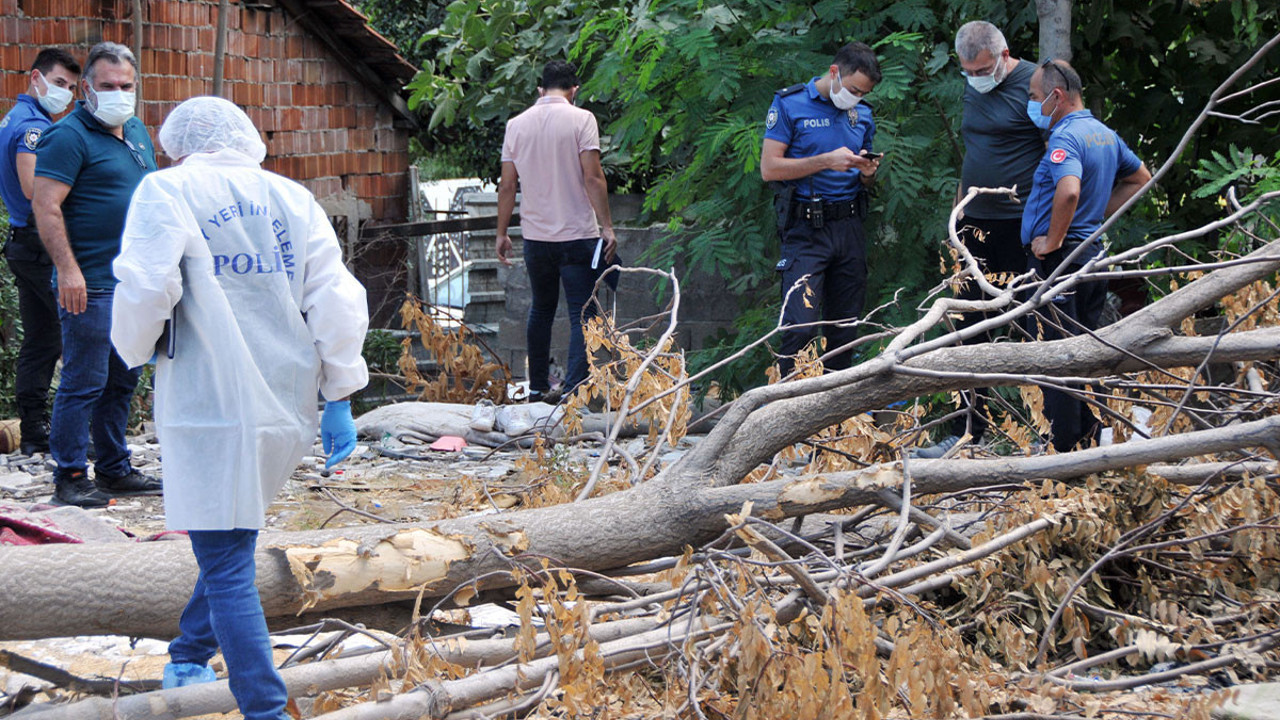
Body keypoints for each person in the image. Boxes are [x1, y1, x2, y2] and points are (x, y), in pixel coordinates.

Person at [110, 96, 369, 720]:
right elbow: (333, 295)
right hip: (287, 393)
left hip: (210, 395)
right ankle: (190, 649)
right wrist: (339, 394)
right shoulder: (291, 197)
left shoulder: (166, 190)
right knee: (232, 532)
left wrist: (133, 348)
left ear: (177, 143)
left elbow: (147, 284)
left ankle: (264, 708)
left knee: (225, 554)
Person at [32, 41, 161, 507]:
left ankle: (113, 468)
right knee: (84, 379)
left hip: (133, 282)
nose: (118, 93)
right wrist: (68, 270)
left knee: (123, 379)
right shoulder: (68, 137)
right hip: (89, 282)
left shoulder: (136, 130)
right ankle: (69, 474)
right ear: (86, 88)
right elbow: (46, 207)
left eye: (126, 85)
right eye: (108, 86)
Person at [915, 22, 1045, 458]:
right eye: (969, 70)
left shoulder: (1036, 83)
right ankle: (968, 432)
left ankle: (1049, 433)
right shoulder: (974, 86)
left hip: (1021, 225)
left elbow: (1059, 155)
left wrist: (1045, 224)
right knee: (966, 329)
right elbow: (973, 154)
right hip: (973, 224)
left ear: (1005, 54)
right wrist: (957, 225)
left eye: (984, 68)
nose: (977, 77)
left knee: (1036, 327)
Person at [1022, 59, 1151, 452]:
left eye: (1034, 97)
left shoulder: (1066, 138)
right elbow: (1142, 179)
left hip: (1060, 266)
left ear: (1056, 97)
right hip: (1091, 259)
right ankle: (1087, 443)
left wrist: (1055, 240)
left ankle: (1061, 454)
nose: (1031, 104)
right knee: (1085, 354)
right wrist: (1093, 220)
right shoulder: (1103, 134)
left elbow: (1069, 191)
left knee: (1058, 356)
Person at [495, 60, 617, 403]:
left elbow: (507, 186)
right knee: (583, 313)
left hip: (536, 238)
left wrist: (502, 232)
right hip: (578, 235)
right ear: (574, 90)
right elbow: (593, 177)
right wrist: (607, 226)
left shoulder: (515, 125)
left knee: (541, 309)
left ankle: (535, 389)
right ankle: (573, 393)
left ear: (540, 90)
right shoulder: (582, 120)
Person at [761, 41, 882, 376]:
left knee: (844, 331)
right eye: (854, 89)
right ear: (834, 73)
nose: (856, 97)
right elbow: (769, 169)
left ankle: (834, 423)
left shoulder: (863, 114)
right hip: (806, 229)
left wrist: (867, 174)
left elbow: (863, 179)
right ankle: (788, 416)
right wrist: (826, 161)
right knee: (799, 327)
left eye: (863, 92)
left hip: (850, 226)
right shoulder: (791, 104)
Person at [1, 48, 80, 455]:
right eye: (59, 83)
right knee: (77, 334)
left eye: (70, 87)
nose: (64, 94)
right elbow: (35, 190)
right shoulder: (32, 127)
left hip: (22, 243)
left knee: (42, 340)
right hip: (38, 244)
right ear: (36, 78)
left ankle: (34, 431)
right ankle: (72, 433)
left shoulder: (14, 118)